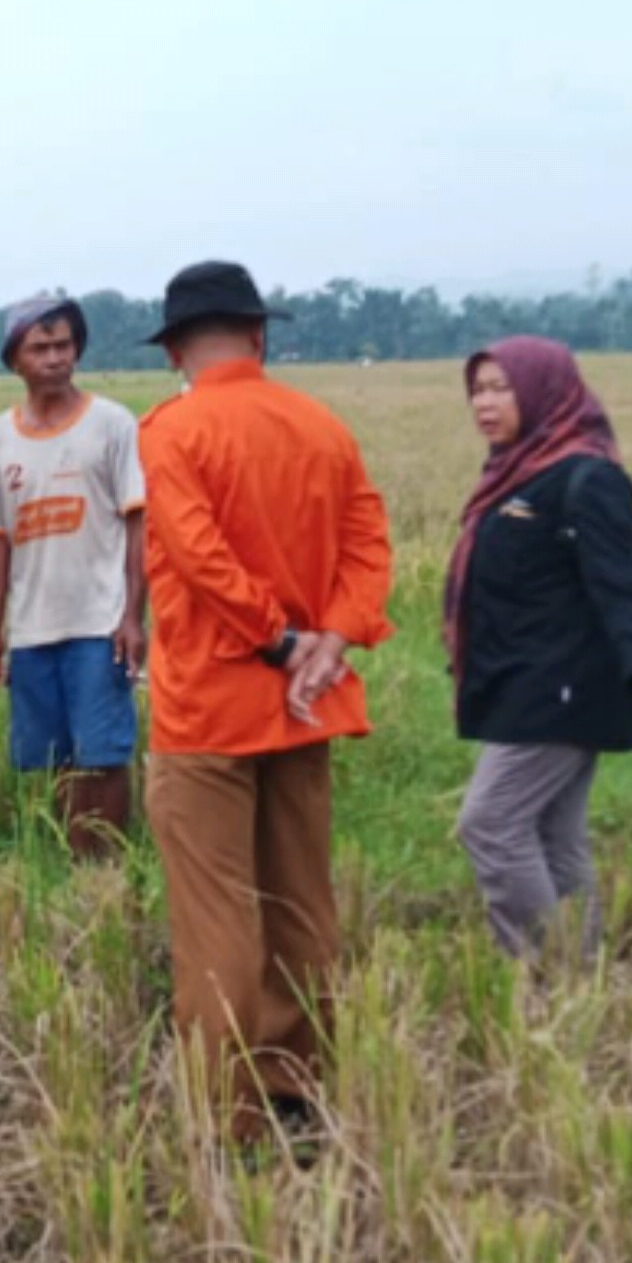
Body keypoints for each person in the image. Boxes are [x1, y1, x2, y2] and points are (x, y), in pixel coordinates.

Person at [137, 260, 395, 1146]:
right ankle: (299, 1087)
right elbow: (368, 542)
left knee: (217, 920)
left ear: (174, 350)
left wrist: (278, 638)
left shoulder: (172, 431)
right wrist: (333, 638)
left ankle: (227, 1119)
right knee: (300, 903)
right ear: (259, 336)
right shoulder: (322, 426)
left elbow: (198, 556)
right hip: (304, 704)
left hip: (207, 709)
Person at [445, 338, 632, 965]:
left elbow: (620, 579)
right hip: (525, 681)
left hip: (564, 687)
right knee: (553, 831)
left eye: (502, 388)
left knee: (490, 822)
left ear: (545, 391)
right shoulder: (517, 474)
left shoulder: (588, 478)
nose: (485, 403)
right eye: (477, 390)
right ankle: (578, 980)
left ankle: (545, 974)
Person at [0, 292, 148, 853]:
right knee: (54, 757)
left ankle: (106, 865)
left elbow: (138, 525)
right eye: (39, 348)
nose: (54, 359)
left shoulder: (112, 424)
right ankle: (76, 857)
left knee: (104, 753)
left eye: (64, 346)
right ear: (14, 360)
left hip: (98, 623)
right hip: (33, 627)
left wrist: (132, 616)